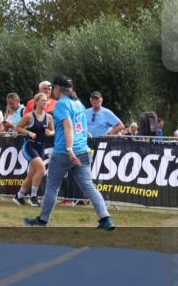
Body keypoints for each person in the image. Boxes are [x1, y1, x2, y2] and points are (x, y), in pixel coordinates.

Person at [25, 76, 115, 230]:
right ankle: (105, 218)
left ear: (57, 88)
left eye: (53, 88)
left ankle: (43, 220)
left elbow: (68, 126)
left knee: (52, 186)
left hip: (64, 152)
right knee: (89, 187)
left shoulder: (62, 104)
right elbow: (81, 127)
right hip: (83, 150)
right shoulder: (78, 103)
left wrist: (69, 150)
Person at [13, 92, 55, 206]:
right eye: (42, 100)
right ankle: (33, 197)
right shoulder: (29, 116)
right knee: (41, 170)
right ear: (36, 102)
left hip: (41, 147)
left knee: (31, 175)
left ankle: (19, 196)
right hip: (29, 146)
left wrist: (49, 133)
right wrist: (28, 132)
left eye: (46, 100)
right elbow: (17, 128)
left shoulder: (49, 117)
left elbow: (53, 131)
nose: (44, 102)